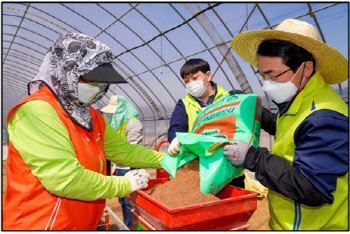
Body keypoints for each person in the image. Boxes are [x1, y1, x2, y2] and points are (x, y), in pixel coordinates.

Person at [3, 33, 166, 230]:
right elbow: (66, 179)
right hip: (42, 224)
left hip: (80, 224)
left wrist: (165, 159)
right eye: (88, 79)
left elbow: (125, 151)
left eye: (100, 82)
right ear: (65, 71)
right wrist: (122, 184)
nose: (97, 88)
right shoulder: (37, 111)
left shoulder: (91, 116)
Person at [226, 19, 348, 230]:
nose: (266, 85)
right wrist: (257, 114)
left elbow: (312, 187)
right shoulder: (299, 99)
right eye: (262, 75)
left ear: (306, 68)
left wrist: (254, 158)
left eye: (273, 75)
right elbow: (292, 132)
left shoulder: (325, 117)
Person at [167, 58, 245, 188]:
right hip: (201, 170)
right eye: (187, 81)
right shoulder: (184, 104)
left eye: (195, 78)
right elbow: (176, 126)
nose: (191, 83)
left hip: (230, 168)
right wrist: (175, 138)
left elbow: (242, 126)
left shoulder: (229, 98)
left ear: (208, 76)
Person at [100, 95, 143, 230]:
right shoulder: (118, 121)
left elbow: (133, 148)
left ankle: (131, 227)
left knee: (130, 201)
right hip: (120, 167)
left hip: (130, 167)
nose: (112, 114)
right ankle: (126, 225)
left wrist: (126, 167)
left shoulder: (133, 123)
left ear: (122, 109)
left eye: (115, 111)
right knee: (122, 200)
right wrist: (115, 165)